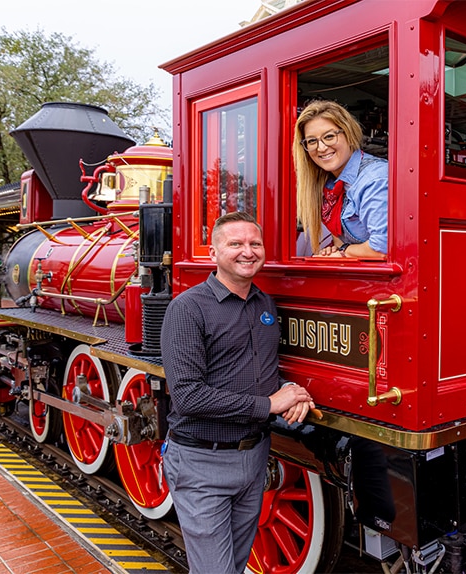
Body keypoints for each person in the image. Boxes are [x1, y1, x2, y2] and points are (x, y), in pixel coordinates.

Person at [160, 211, 315, 574]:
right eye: (236, 244)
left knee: (237, 564)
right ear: (213, 253)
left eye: (254, 243)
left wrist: (289, 390)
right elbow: (188, 397)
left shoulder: (263, 304)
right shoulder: (187, 309)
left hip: (253, 459)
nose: (248, 252)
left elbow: (255, 372)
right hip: (202, 463)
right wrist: (270, 404)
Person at [293, 100, 388, 258]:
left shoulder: (374, 179)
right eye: (311, 141)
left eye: (329, 137)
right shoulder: (329, 184)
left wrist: (344, 253)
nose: (321, 148)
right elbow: (340, 242)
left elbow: (381, 248)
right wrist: (339, 250)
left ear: (348, 133)